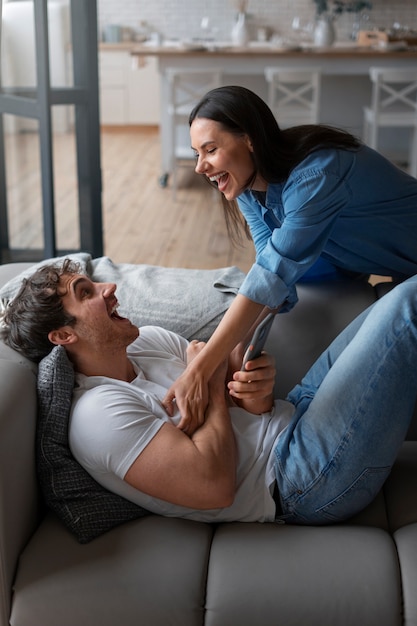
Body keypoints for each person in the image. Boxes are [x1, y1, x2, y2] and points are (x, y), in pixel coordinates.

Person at [1, 259, 417, 525]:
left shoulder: (147, 340)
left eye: (96, 283)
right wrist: (211, 381)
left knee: (399, 296)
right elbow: (215, 485)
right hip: (303, 480)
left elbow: (241, 400)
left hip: (299, 416)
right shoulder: (97, 414)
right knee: (409, 308)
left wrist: (253, 391)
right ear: (63, 335)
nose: (108, 290)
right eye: (86, 294)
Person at [163, 84, 417, 431]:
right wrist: (239, 352)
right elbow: (271, 269)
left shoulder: (317, 172)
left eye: (210, 149)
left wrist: (200, 369)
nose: (199, 167)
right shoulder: (249, 187)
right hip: (376, 265)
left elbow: (271, 273)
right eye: (196, 153)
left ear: (250, 139)